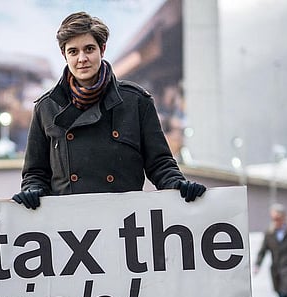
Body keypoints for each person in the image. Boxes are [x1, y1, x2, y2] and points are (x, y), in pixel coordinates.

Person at [11, 12, 205, 209]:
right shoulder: (46, 107)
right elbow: (36, 173)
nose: (82, 58)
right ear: (64, 55)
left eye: (89, 49)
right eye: (73, 51)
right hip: (68, 224)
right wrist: (32, 191)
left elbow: (160, 163)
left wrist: (177, 185)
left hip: (124, 223)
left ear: (102, 49)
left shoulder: (136, 101)